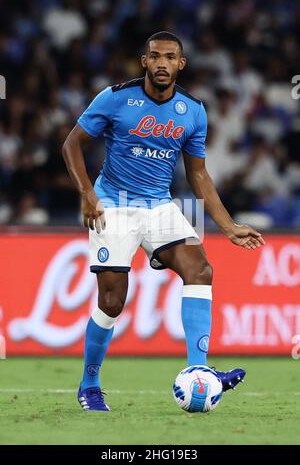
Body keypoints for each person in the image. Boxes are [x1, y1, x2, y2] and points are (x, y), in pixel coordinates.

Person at [62, 31, 265, 411]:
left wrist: (228, 226)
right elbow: (71, 144)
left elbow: (198, 175)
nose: (161, 63)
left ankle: (200, 370)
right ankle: (89, 385)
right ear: (144, 61)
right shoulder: (115, 97)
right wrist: (88, 195)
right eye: (154, 56)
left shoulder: (193, 111)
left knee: (200, 270)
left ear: (180, 64)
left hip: (159, 205)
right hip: (113, 203)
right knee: (112, 301)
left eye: (169, 57)